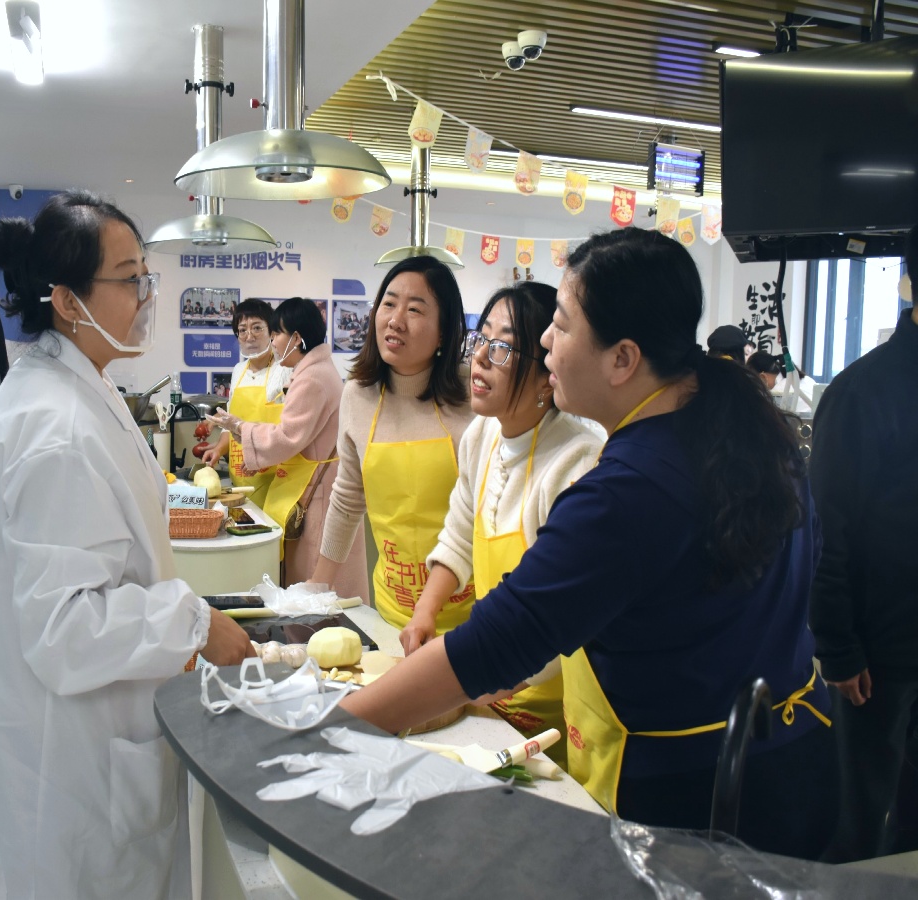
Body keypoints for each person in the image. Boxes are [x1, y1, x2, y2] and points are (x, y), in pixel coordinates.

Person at [342, 227, 836, 861]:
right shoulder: (745, 425)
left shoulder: (623, 489)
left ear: (622, 359)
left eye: (562, 325)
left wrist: (336, 726)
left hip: (699, 803)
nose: (547, 342)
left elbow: (499, 641)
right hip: (796, 761)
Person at [0, 190, 254, 900]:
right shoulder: (55, 427)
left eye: (145, 275)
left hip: (100, 727)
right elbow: (64, 627)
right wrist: (192, 623)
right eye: (129, 279)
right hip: (71, 756)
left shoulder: (79, 385)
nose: (147, 295)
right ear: (67, 300)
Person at [399, 282, 601, 763]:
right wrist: (426, 610)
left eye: (504, 348)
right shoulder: (482, 435)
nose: (481, 359)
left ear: (547, 375)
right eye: (481, 338)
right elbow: (459, 534)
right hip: (492, 687)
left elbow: (560, 618)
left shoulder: (577, 462)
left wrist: (477, 678)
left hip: (556, 707)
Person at [809, 225, 918, 862]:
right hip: (879, 655)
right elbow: (828, 530)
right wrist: (839, 648)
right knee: (859, 818)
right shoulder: (862, 392)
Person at [310, 256, 475, 630]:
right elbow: (348, 497)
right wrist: (317, 586)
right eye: (388, 303)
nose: (395, 320)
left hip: (475, 615)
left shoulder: (473, 394)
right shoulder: (358, 395)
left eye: (415, 309)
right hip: (393, 611)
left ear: (444, 331)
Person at [208, 299, 369, 601]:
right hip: (295, 479)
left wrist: (240, 427)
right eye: (243, 330)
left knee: (316, 589)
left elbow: (286, 436)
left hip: (317, 490)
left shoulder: (311, 378)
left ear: (296, 338)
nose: (271, 341)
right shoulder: (307, 371)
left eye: (274, 333)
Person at [201, 299, 290, 508]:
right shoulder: (238, 371)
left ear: (272, 331)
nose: (249, 336)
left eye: (257, 328)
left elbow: (290, 430)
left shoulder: (284, 370)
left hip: (273, 477)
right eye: (242, 330)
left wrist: (259, 458)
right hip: (239, 477)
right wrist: (219, 450)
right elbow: (231, 424)